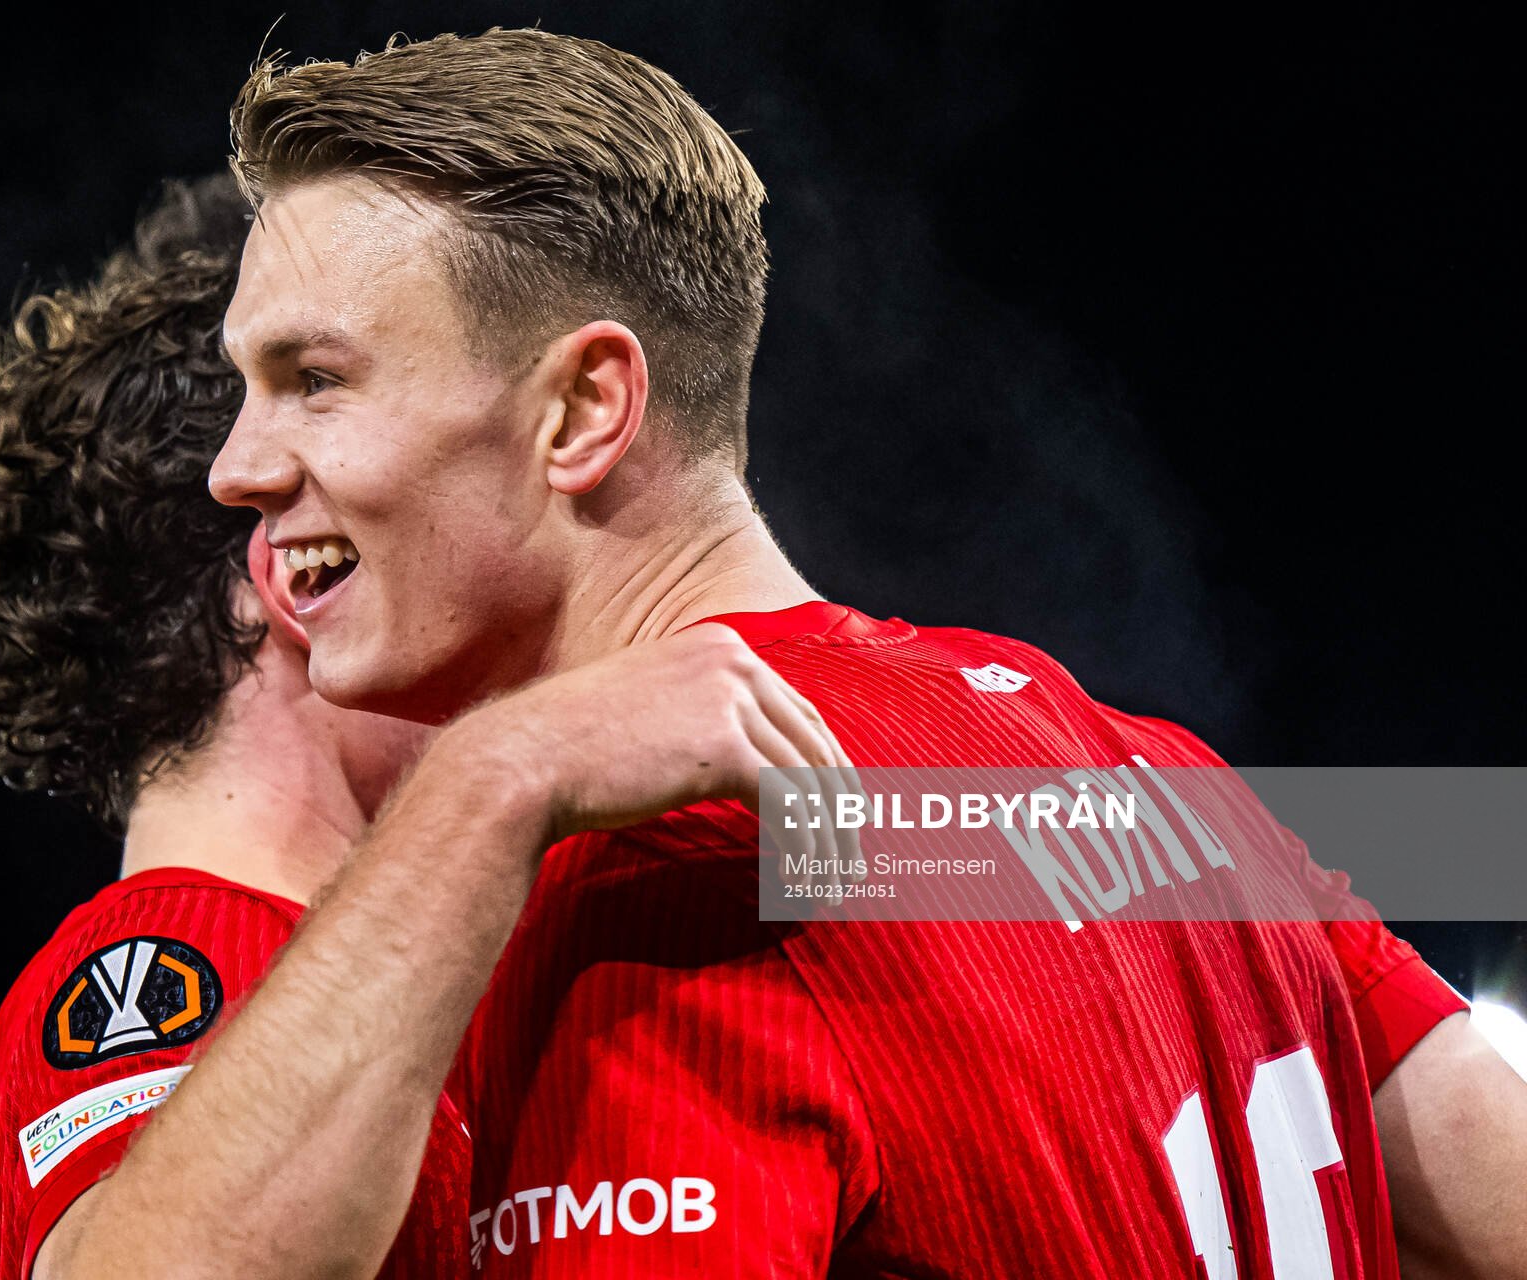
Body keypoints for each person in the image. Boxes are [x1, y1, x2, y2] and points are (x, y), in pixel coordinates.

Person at [164, 29, 1513, 1280]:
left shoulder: (661, 877)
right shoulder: (1159, 779)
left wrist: (482, 784)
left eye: (316, 380)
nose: (238, 468)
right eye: (245, 387)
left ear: (582, 409)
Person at [0, 177, 469, 1279]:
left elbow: (871, 860)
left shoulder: (342, 948)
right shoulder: (176, 959)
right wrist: (504, 773)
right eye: (422, 531)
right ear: (302, 573)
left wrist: (893, 803)